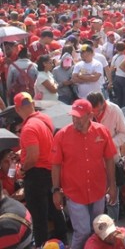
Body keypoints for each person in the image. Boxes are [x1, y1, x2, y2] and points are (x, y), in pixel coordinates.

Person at [51, 99, 117, 249]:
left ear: (90, 115)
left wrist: (112, 185)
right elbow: (55, 165)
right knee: (82, 232)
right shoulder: (62, 135)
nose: (75, 120)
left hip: (98, 190)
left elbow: (109, 159)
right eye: (73, 116)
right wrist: (56, 190)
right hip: (74, 192)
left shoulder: (102, 131)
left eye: (79, 116)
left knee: (98, 230)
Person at [13, 92, 67, 247]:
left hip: (36, 175)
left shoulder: (28, 128)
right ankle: (63, 242)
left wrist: (23, 168)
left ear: (17, 109)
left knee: (38, 217)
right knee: (56, 210)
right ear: (32, 104)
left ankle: (41, 245)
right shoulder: (45, 118)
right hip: (51, 171)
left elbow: (33, 156)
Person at [87, 91, 125, 221]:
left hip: (112, 158)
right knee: (94, 196)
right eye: (92, 112)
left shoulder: (115, 110)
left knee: (112, 195)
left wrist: (108, 143)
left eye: (98, 111)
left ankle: (113, 225)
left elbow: (124, 133)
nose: (95, 114)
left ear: (103, 103)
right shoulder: (86, 112)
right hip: (92, 161)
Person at [110, 41, 125, 107]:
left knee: (119, 96)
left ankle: (120, 108)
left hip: (117, 78)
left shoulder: (114, 57)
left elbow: (111, 69)